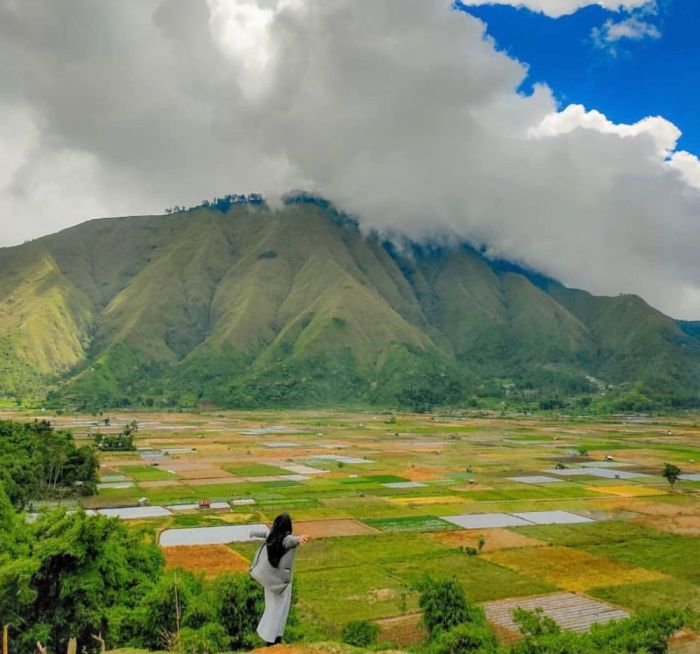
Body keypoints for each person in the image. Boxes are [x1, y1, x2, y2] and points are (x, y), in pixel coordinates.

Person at [250, 513, 309, 646]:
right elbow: (290, 540)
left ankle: (271, 637)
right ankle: (272, 639)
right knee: (279, 610)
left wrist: (251, 532)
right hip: (281, 584)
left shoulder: (272, 535)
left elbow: (263, 532)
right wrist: (299, 538)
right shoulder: (285, 539)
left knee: (271, 608)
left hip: (269, 582)